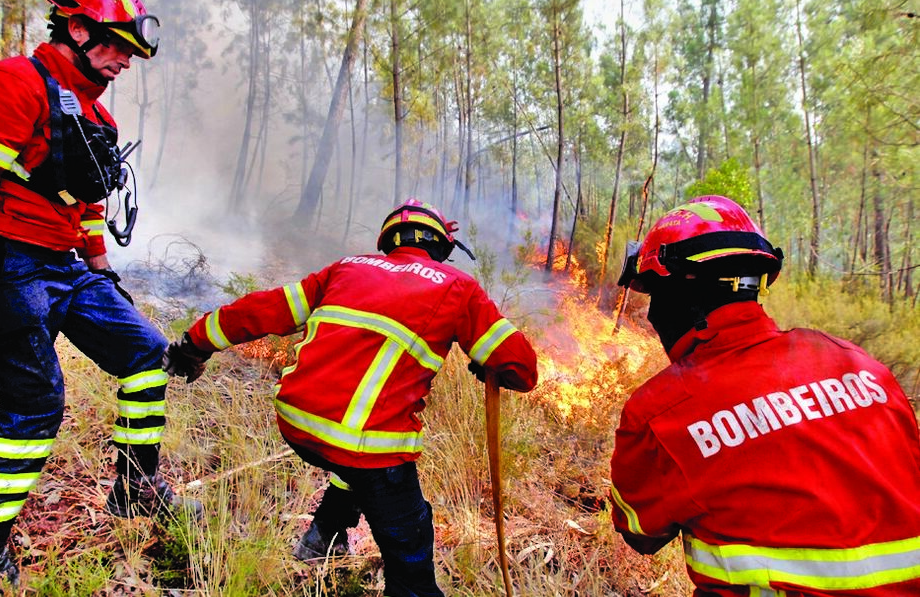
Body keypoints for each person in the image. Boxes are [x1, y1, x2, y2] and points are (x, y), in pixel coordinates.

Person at [163, 198, 538, 596]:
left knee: (352, 460)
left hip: (296, 422)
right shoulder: (457, 286)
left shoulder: (346, 267)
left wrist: (193, 344)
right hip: (362, 443)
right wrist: (490, 366)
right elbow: (523, 369)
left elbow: (262, 310)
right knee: (409, 536)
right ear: (441, 246)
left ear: (389, 240)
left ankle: (323, 535)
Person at [0, 0, 201, 590]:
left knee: (147, 355)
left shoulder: (94, 112)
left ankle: (137, 487)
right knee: (35, 402)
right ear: (78, 30)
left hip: (66, 265)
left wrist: (101, 270)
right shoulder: (12, 83)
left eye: (132, 54)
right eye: (118, 47)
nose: (125, 63)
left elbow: (83, 203)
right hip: (8, 259)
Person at [610, 195, 920, 596]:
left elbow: (640, 531)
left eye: (655, 294)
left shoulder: (662, 411)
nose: (654, 313)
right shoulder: (861, 365)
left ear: (681, 293)